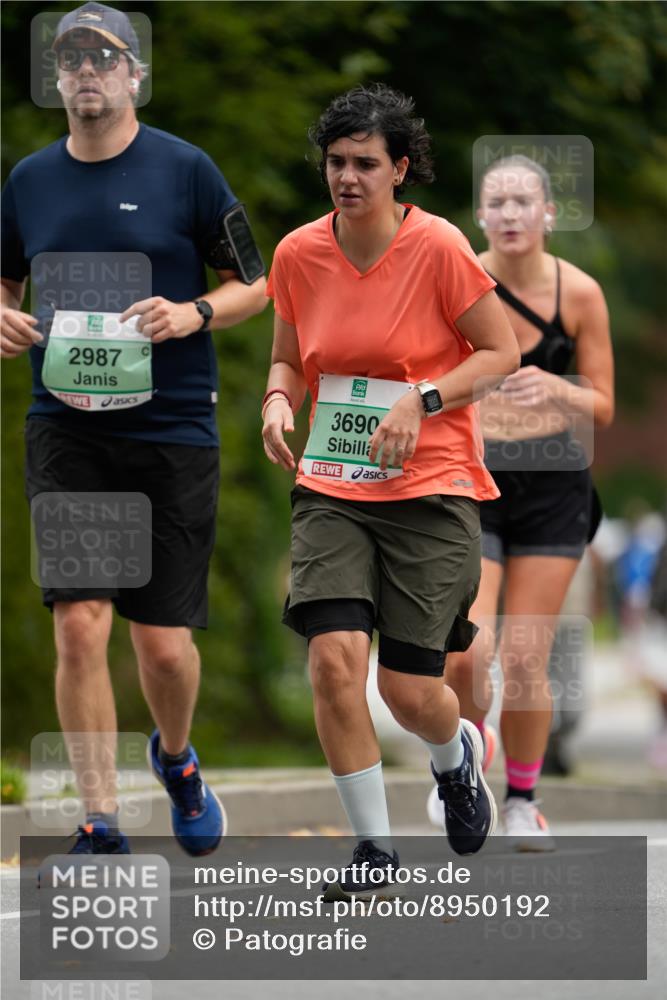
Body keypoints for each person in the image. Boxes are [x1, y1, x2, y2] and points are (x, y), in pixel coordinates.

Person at [1, 2, 266, 856]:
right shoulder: (28, 181)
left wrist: (192, 313)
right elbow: (3, 287)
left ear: (134, 75)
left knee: (162, 648)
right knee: (79, 622)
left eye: (103, 58)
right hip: (68, 429)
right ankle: (100, 818)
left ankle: (178, 760)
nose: (86, 72)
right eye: (71, 59)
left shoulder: (186, 171)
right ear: (58, 77)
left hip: (172, 430)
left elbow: (256, 286)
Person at [261, 84, 520, 898]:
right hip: (333, 483)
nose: (347, 177)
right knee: (335, 661)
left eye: (365, 163)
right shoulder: (298, 253)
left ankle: (457, 756)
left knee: (409, 692)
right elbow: (286, 357)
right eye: (336, 163)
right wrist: (274, 401)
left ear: (398, 169)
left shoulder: (439, 246)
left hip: (431, 485)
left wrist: (422, 397)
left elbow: (499, 353)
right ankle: (373, 850)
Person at [427, 154, 614, 849]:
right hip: (472, 480)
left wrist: (556, 389)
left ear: (547, 215)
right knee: (467, 654)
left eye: (521, 202)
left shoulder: (579, 294)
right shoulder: (455, 281)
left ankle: (523, 799)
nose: (508, 215)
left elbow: (601, 403)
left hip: (555, 491)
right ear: (479, 214)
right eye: (496, 203)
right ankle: (466, 764)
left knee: (528, 655)